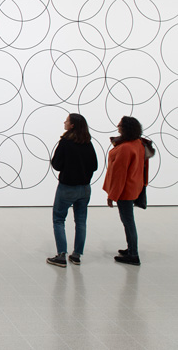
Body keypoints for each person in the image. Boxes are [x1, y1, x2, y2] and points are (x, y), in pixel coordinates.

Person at [46, 113, 98, 268]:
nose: (64, 122)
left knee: (59, 219)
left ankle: (61, 255)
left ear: (72, 125)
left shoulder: (65, 143)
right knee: (81, 221)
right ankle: (76, 255)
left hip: (67, 187)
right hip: (84, 188)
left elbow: (56, 164)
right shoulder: (87, 142)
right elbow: (94, 165)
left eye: (67, 121)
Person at [103, 116, 153, 266]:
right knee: (128, 221)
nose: (117, 126)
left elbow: (120, 175)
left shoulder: (125, 148)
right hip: (134, 186)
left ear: (126, 128)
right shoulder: (138, 143)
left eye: (120, 125)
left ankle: (133, 254)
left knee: (128, 221)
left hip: (125, 190)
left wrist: (112, 195)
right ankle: (131, 249)